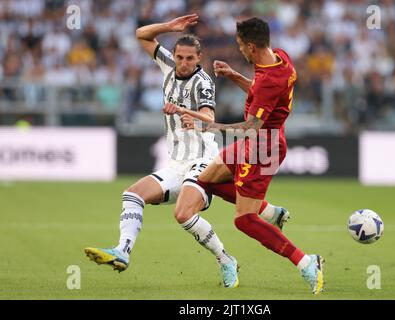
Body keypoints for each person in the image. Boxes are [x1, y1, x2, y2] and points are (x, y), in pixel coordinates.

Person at [84, 14, 290, 288]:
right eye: (179, 57)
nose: (182, 62)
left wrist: (182, 110)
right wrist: (169, 27)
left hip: (203, 160)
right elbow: (142, 34)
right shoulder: (167, 65)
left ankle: (226, 260)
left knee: (183, 214)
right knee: (132, 195)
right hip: (176, 163)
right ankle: (122, 251)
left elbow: (207, 118)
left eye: (189, 58)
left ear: (199, 59)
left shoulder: (203, 82)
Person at [195, 17, 324, 294]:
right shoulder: (280, 57)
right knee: (204, 180)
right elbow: (261, 91)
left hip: (262, 148)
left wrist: (213, 126)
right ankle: (270, 211)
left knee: (243, 219)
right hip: (259, 141)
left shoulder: (269, 79)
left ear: (252, 46)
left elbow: (252, 126)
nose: (240, 49)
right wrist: (234, 75)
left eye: (241, 45)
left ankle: (306, 262)